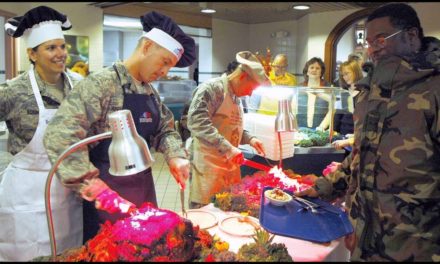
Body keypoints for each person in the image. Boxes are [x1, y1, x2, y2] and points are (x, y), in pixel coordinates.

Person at [295, 3, 440, 261]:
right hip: (365, 238)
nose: (372, 48)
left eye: (382, 39)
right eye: (369, 41)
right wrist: (327, 186)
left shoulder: (433, 88)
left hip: (417, 245)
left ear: (412, 35)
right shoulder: (370, 90)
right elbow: (364, 152)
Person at [43, 11, 196, 243]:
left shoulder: (149, 92)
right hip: (107, 196)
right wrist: (92, 186)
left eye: (170, 67)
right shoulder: (101, 85)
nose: (165, 72)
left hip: (143, 189)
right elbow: (60, 136)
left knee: (149, 249)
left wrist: (175, 155)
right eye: (164, 62)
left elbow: (165, 129)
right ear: (146, 47)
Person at [0, 6, 83, 261]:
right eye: (51, 48)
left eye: (62, 46)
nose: (60, 54)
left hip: (68, 193)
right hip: (25, 196)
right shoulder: (13, 91)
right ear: (32, 54)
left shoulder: (79, 87)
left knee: (69, 252)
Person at [187, 51, 268, 208]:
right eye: (252, 88)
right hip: (208, 170)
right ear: (242, 76)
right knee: (206, 217)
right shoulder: (212, 89)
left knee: (225, 213)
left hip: (229, 169)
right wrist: (227, 148)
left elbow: (231, 127)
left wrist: (250, 139)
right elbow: (196, 122)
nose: (251, 93)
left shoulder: (236, 96)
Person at [332, 59, 364, 150]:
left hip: (358, 137)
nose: (345, 77)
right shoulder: (342, 93)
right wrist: (334, 133)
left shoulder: (365, 92)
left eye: (347, 73)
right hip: (342, 136)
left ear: (356, 72)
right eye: (343, 75)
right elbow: (337, 116)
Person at [297, 57, 332, 130]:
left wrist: (322, 127)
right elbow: (293, 109)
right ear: (307, 71)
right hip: (300, 129)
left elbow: (332, 110)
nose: (314, 70)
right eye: (311, 67)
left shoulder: (329, 87)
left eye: (317, 68)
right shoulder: (299, 87)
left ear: (321, 72)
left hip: (321, 130)